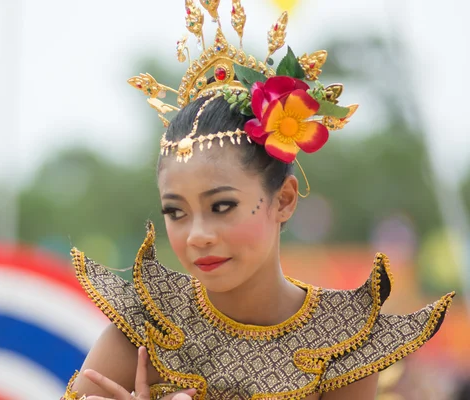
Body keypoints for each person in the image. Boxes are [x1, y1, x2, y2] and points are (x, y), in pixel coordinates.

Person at [61, 3, 454, 399]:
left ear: (283, 200)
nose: (197, 236)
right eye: (175, 212)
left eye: (221, 206)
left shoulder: (342, 341)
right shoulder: (145, 330)